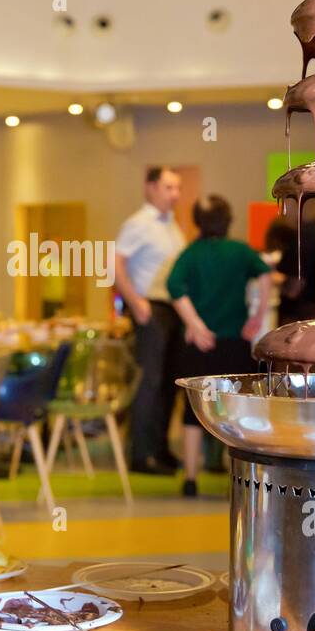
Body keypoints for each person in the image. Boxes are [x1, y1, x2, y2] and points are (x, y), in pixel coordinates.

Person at [167, 196, 272, 497]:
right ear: (229, 219)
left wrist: (195, 325)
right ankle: (234, 478)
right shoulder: (240, 251)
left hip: (199, 345)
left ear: (197, 221)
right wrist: (258, 314)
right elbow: (264, 272)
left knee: (191, 411)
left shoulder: (191, 253)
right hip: (235, 343)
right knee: (235, 411)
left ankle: (190, 478)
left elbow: (175, 288)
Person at [114, 167, 185, 475]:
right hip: (150, 309)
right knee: (149, 383)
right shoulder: (137, 223)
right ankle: (141, 455)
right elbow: (115, 263)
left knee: (168, 384)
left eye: (177, 188)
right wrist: (135, 302)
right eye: (169, 187)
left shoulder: (171, 225)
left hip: (171, 310)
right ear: (151, 188)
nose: (175, 194)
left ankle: (160, 448)